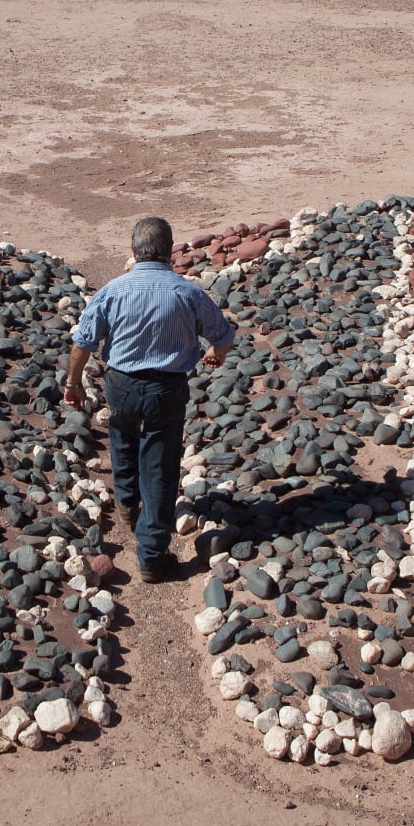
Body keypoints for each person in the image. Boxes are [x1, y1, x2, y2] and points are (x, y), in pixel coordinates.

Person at [64, 216, 236, 582]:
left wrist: (73, 383)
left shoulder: (113, 291)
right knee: (159, 465)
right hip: (166, 389)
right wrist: (216, 355)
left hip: (121, 383)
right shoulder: (187, 292)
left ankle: (128, 504)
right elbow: (223, 336)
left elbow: (83, 343)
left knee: (122, 438)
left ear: (133, 250)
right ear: (170, 251)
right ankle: (153, 556)